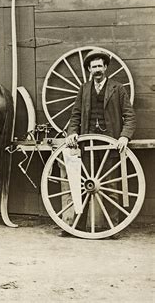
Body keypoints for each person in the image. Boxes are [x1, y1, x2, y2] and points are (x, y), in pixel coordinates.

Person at [61, 49, 136, 237]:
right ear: (89, 70)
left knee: (110, 187)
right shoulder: (84, 89)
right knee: (82, 186)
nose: (97, 70)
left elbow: (130, 116)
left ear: (105, 67)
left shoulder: (117, 89)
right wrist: (72, 133)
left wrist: (124, 136)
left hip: (110, 146)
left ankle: (113, 228)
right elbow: (75, 115)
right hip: (87, 146)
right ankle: (74, 226)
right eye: (93, 67)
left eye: (100, 66)